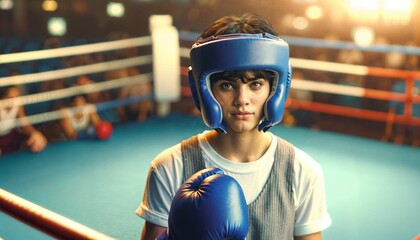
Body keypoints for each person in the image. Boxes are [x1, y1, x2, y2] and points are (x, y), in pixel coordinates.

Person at [136, 13, 332, 240]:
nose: (242, 99)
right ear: (205, 88)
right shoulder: (170, 167)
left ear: (275, 88)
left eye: (255, 84)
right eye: (227, 85)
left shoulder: (302, 170)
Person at [0, 86, 48, 155]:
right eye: (10, 98)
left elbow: (23, 121)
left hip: (11, 135)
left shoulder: (17, 102)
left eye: (17, 96)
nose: (14, 101)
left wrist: (34, 133)